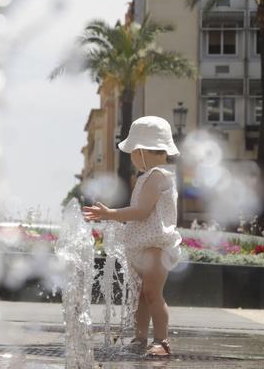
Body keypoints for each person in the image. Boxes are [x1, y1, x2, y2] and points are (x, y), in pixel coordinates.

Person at [82, 116, 182, 357]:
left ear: (142, 151)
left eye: (133, 152)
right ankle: (140, 337)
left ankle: (162, 340)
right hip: (143, 244)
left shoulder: (157, 175)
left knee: (152, 293)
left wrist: (109, 213)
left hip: (157, 244)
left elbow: (142, 211)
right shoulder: (150, 176)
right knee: (140, 295)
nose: (132, 157)